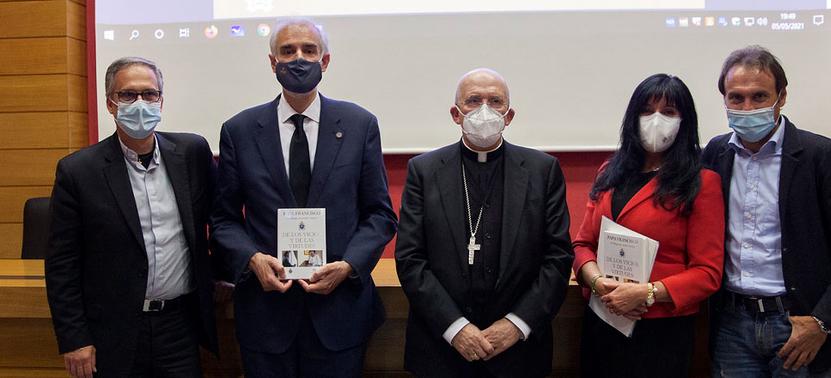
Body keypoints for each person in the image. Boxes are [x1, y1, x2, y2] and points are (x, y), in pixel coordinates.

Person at [211, 18, 396, 377]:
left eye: (309, 50)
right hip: (266, 315)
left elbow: (379, 214)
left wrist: (348, 266)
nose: (299, 59)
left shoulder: (360, 124)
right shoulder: (240, 130)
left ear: (325, 61)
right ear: (272, 62)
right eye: (288, 51)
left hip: (339, 311)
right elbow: (224, 218)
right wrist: (251, 259)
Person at [703, 46, 831, 377]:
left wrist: (822, 320)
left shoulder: (821, 157)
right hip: (732, 325)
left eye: (759, 96)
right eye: (736, 98)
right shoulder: (715, 154)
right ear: (724, 100)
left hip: (799, 324)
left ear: (781, 97)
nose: (747, 107)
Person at [45, 57, 218, 377]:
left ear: (161, 101)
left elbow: (219, 219)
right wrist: (74, 338)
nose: (140, 102)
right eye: (128, 95)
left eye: (149, 94)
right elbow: (61, 264)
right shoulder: (78, 171)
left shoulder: (192, 153)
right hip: (111, 331)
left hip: (178, 327)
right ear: (110, 104)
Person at [395, 68, 574, 377]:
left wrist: (516, 325)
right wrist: (455, 328)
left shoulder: (542, 171)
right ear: (455, 113)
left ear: (509, 115)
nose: (484, 110)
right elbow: (410, 259)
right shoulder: (423, 172)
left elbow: (557, 258)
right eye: (473, 101)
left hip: (518, 351)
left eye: (495, 101)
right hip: (441, 349)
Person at [571, 73, 724, 376]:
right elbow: (582, 245)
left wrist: (648, 293)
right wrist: (600, 284)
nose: (656, 120)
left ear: (684, 121)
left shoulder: (702, 182)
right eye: (647, 111)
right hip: (604, 317)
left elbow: (708, 273)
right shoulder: (609, 172)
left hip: (660, 329)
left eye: (668, 112)